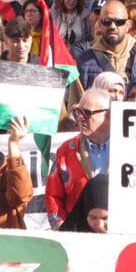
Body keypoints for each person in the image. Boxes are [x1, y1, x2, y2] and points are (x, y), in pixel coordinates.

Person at [46, 88, 111, 228]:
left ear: (109, 115)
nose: (81, 118)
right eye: (78, 112)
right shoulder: (66, 151)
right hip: (77, 236)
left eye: (87, 113)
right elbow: (53, 197)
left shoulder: (129, 148)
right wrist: (62, 231)